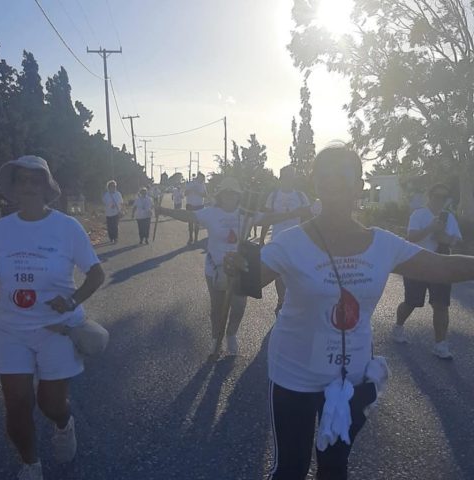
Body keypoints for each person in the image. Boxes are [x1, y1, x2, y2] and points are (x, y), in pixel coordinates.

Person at [225, 143, 474, 479]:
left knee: (334, 468)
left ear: (359, 184)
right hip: (295, 374)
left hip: (350, 378)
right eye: (325, 174)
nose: (334, 181)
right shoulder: (291, 242)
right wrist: (232, 270)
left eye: (344, 174)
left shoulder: (383, 243)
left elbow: (442, 267)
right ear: (317, 184)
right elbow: (247, 281)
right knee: (290, 469)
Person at [0, 155, 105, 480]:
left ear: (47, 188)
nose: (28, 186)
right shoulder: (0, 230)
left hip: (56, 329)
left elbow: (96, 274)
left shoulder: (67, 228)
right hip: (9, 329)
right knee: (17, 403)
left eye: (35, 180)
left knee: (51, 404)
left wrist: (71, 301)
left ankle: (63, 424)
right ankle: (31, 464)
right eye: (22, 180)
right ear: (13, 188)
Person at [157, 177, 307, 356]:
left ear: (238, 195)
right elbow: (188, 215)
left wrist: (294, 213)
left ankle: (231, 334)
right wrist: (164, 210)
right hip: (215, 267)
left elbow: (269, 218)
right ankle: (216, 339)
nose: (230, 196)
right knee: (217, 308)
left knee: (239, 306)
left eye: (233, 193)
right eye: (226, 193)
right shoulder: (210, 213)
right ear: (220, 195)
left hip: (239, 268)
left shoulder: (246, 214)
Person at [394, 183, 462, 358]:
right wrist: (431, 228)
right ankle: (398, 326)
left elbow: (454, 240)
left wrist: (444, 237)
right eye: (437, 196)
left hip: (441, 264)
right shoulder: (418, 215)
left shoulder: (449, 217)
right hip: (417, 263)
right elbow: (411, 238)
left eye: (444, 197)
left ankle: (440, 344)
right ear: (429, 196)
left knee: (441, 305)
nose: (440, 200)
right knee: (412, 302)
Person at [259, 165, 311, 316]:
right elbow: (267, 219)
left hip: (297, 242)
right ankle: (281, 300)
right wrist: (261, 240)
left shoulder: (301, 196)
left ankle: (292, 300)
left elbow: (309, 219)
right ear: (281, 178)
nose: (289, 179)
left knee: (294, 273)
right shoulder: (274, 196)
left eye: (291, 176)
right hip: (278, 241)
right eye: (287, 176)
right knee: (279, 273)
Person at [184, 172, 207, 244]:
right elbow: (185, 193)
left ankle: (196, 238)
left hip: (199, 206)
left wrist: (198, 192)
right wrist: (191, 190)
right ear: (198, 177)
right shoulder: (190, 183)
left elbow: (205, 195)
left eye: (203, 179)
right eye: (202, 179)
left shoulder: (202, 185)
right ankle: (191, 237)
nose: (203, 180)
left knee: (197, 223)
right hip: (190, 205)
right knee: (190, 222)